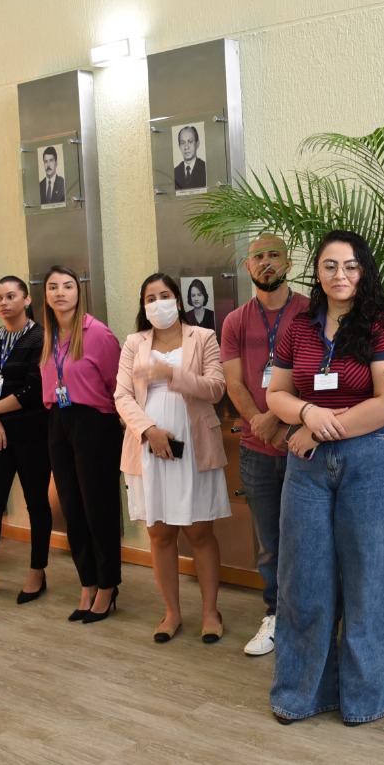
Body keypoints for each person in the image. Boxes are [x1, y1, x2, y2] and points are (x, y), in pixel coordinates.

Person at [266, 229, 384, 726]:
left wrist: (321, 432)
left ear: (363, 271)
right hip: (308, 467)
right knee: (302, 582)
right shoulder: (300, 327)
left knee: (366, 585)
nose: (340, 275)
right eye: (329, 266)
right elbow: (277, 396)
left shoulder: (383, 325)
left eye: (349, 266)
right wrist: (306, 413)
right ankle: (301, 695)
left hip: (373, 461)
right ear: (318, 272)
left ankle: (366, 699)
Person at [116, 273, 229, 643]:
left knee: (199, 530)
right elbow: (121, 396)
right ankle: (171, 613)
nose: (158, 302)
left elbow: (215, 388)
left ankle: (211, 612)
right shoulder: (134, 342)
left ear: (178, 301)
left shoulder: (204, 336)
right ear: (143, 305)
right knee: (159, 533)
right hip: (148, 447)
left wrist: (171, 373)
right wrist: (148, 430)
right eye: (150, 297)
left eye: (164, 295)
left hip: (194, 447)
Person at [220, 234, 308, 655]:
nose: (266, 262)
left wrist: (278, 417)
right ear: (248, 267)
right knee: (269, 542)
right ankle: (274, 615)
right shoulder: (236, 321)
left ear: (288, 262)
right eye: (258, 256)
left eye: (274, 254)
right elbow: (233, 382)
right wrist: (259, 421)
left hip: (302, 445)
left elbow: (316, 375)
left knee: (309, 536)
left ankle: (311, 617)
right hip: (256, 450)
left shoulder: (311, 311)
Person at [40, 265, 122, 622]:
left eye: (67, 286)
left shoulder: (98, 334)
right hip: (58, 421)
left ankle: (107, 585)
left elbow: (118, 386)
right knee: (71, 508)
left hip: (94, 424)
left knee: (97, 508)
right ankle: (87, 581)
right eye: (53, 287)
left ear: (79, 291)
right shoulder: (48, 336)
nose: (60, 293)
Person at [0, 276, 51, 605]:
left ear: (27, 299)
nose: (3, 302)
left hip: (30, 434)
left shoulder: (40, 338)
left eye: (11, 296)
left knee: (36, 503)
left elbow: (34, 389)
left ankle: (37, 571)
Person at [173, 125, 207, 190]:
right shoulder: (175, 172)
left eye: (190, 141)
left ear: (197, 144)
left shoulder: (205, 168)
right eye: (183, 143)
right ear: (179, 146)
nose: (186, 147)